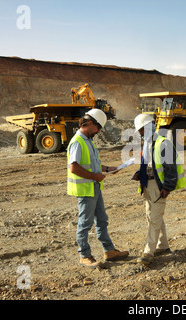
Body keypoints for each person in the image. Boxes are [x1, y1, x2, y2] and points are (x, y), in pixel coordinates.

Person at [67, 109, 129, 268]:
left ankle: (109, 251)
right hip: (86, 189)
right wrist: (95, 177)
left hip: (94, 188)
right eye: (98, 127)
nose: (98, 131)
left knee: (102, 220)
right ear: (89, 123)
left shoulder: (88, 140)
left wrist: (107, 169)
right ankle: (84, 255)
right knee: (85, 223)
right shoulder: (77, 142)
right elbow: (73, 167)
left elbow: (93, 164)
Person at [132, 114, 186, 266]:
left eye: (142, 130)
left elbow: (170, 168)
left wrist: (167, 187)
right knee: (152, 216)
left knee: (154, 219)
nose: (140, 134)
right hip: (147, 185)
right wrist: (139, 174)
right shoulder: (147, 144)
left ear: (149, 127)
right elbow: (148, 164)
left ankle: (149, 251)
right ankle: (163, 245)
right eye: (139, 131)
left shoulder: (164, 143)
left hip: (158, 186)